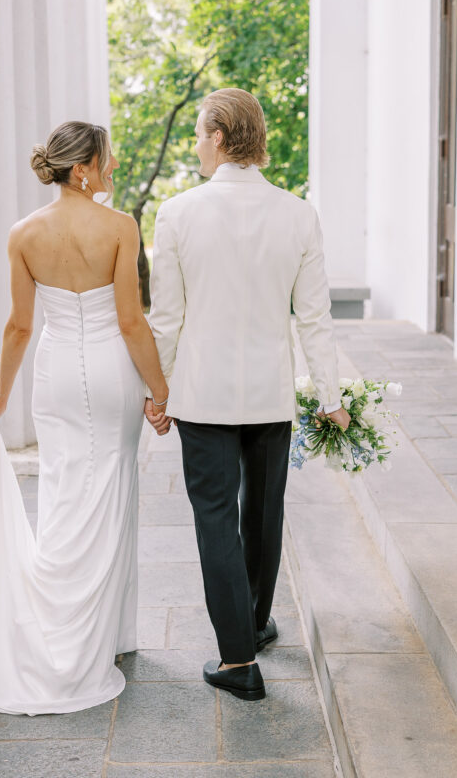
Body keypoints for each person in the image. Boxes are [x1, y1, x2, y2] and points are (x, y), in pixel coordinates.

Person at [0, 121, 169, 715]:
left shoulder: (23, 233)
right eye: (108, 155)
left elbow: (19, 326)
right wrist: (160, 390)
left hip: (54, 375)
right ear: (83, 168)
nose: (115, 162)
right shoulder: (120, 227)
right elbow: (130, 321)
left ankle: (78, 626)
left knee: (67, 487)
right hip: (110, 368)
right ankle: (100, 637)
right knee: (114, 485)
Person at [144, 88, 350, 702]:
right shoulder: (299, 214)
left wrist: (158, 392)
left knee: (216, 520)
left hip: (201, 397)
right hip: (268, 396)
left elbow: (167, 320)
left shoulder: (177, 213)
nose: (197, 146)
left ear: (221, 137)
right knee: (263, 512)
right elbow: (316, 318)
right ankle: (254, 623)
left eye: (201, 134)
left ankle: (238, 661)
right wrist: (330, 396)